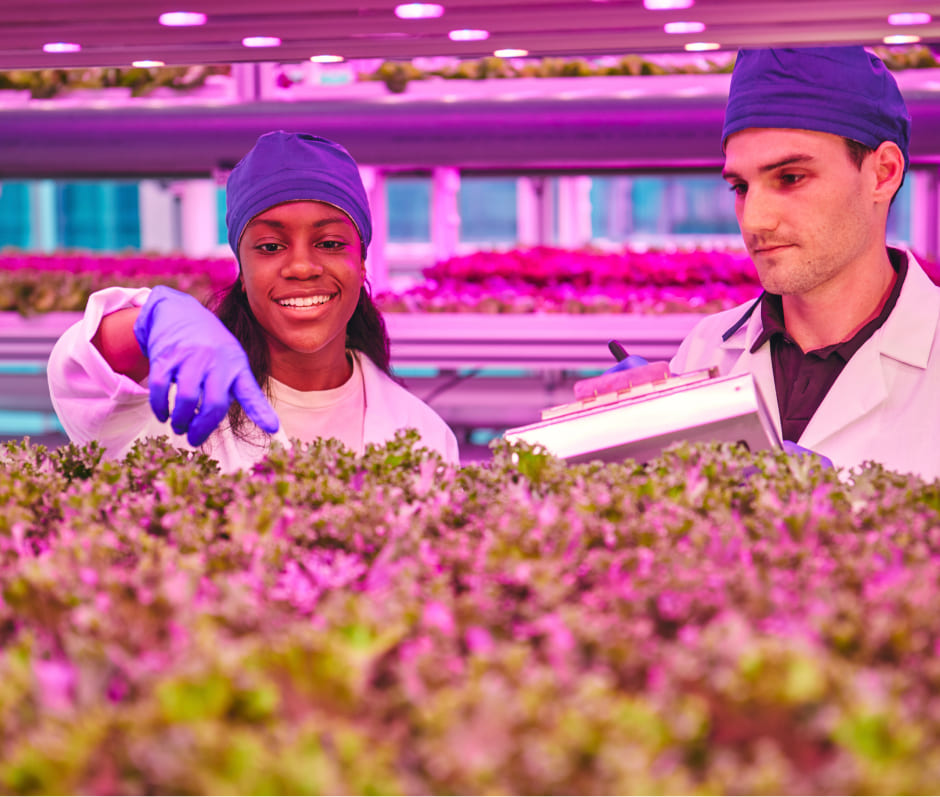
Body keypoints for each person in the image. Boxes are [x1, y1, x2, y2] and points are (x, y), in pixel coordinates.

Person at [47, 131, 460, 470]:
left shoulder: (424, 433)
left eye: (331, 242)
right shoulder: (176, 403)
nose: (301, 267)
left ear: (363, 261)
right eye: (270, 246)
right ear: (241, 271)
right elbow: (79, 375)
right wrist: (148, 324)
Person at [668, 46, 940, 480]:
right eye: (740, 187)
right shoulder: (704, 350)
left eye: (790, 178)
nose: (754, 221)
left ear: (883, 173)